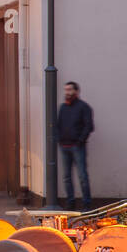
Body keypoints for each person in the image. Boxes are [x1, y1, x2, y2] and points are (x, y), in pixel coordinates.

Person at [57, 81, 95, 211]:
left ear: (76, 91)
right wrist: (59, 139)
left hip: (77, 146)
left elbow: (89, 126)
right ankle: (70, 203)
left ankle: (86, 204)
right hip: (64, 146)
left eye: (69, 90)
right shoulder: (63, 107)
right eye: (65, 90)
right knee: (66, 177)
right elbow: (58, 124)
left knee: (82, 176)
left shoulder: (84, 107)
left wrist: (80, 141)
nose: (67, 92)